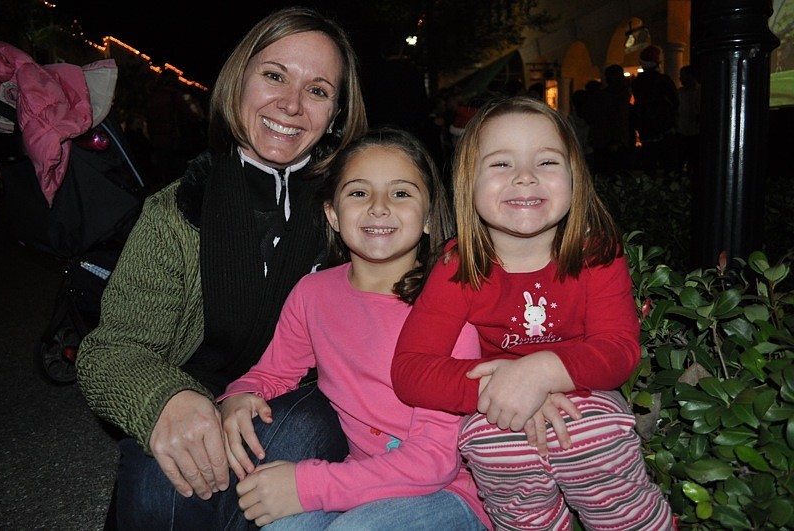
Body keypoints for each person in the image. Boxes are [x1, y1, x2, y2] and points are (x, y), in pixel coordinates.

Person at [75, 7, 367, 529]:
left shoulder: (357, 209)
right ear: (238, 83)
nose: (291, 105)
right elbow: (109, 351)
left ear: (337, 116)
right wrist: (165, 399)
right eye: (274, 75)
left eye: (318, 91)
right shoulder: (177, 210)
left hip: (302, 400)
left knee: (284, 450)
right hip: (191, 389)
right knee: (165, 486)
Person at [391, 96, 675, 530]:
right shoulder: (458, 266)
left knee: (593, 439)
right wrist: (506, 382)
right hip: (497, 404)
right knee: (494, 447)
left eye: (546, 162)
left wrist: (542, 372)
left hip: (584, 394)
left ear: (575, 176)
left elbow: (618, 350)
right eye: (501, 164)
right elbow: (411, 370)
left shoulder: (596, 251)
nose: (525, 177)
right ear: (468, 183)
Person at [214, 127, 489, 530]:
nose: (379, 207)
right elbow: (274, 371)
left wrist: (308, 483)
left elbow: (436, 460)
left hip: (448, 495)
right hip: (360, 481)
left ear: (430, 216)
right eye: (359, 193)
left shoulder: (446, 312)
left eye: (401, 193)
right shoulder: (313, 294)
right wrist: (240, 395)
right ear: (332, 213)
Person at [631, 45, 679, 178]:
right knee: (668, 165)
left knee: (649, 165)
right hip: (664, 127)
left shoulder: (637, 82)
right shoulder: (663, 80)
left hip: (646, 128)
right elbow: (675, 101)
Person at [676, 65, 701, 178]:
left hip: (696, 134)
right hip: (683, 133)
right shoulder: (680, 93)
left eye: (682, 76)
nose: (680, 78)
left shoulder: (700, 92)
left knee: (694, 164)